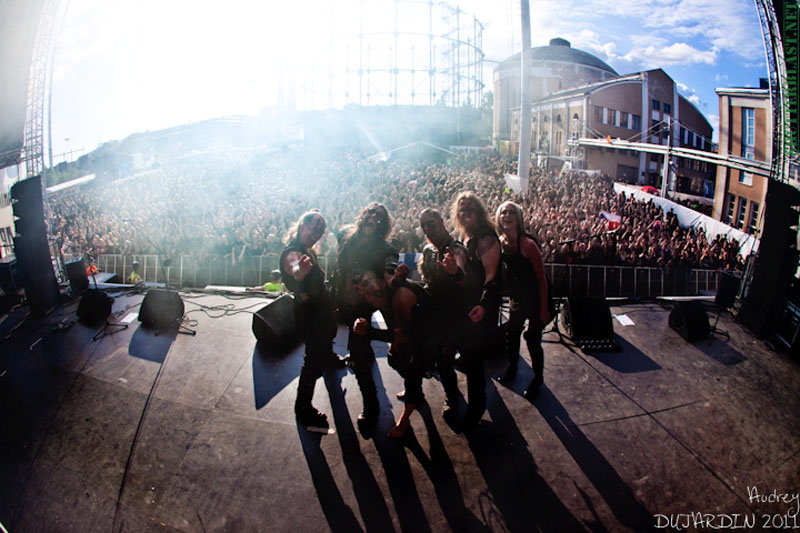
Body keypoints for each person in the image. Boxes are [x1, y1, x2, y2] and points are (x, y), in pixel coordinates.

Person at [333, 202, 399, 431]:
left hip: (366, 302)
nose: (373, 217)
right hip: (346, 300)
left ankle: (371, 406)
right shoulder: (345, 236)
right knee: (356, 348)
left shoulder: (384, 248)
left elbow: (390, 261)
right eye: (370, 212)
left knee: (359, 349)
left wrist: (391, 273)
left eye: (379, 216)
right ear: (363, 215)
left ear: (383, 224)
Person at [352, 264, 432, 439]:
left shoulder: (399, 296)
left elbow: (404, 335)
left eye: (368, 284)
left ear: (381, 281)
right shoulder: (380, 294)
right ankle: (415, 392)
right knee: (394, 358)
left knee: (411, 369)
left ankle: (405, 419)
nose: (365, 293)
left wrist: (369, 332)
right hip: (412, 335)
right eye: (360, 290)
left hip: (431, 338)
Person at [279, 210, 341, 430]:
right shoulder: (293, 253)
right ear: (302, 225)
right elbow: (294, 276)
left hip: (321, 309)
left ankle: (330, 356)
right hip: (311, 314)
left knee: (326, 339)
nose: (315, 234)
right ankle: (303, 407)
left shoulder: (307, 250)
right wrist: (299, 275)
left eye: (319, 231)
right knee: (313, 360)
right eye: (312, 228)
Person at [450, 192, 501, 431]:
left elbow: (491, 275)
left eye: (470, 209)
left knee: (474, 360)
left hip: (479, 305)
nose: (465, 213)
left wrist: (483, 304)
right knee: (470, 357)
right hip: (465, 304)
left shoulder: (486, 236)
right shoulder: (466, 234)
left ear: (478, 211)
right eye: (462, 209)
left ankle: (477, 408)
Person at [495, 201, 553, 401]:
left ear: (518, 217)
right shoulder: (501, 242)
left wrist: (544, 309)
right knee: (513, 333)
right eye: (503, 212)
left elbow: (541, 278)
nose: (507, 215)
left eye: (511, 212)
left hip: (537, 297)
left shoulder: (528, 245)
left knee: (533, 340)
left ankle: (538, 378)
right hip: (518, 298)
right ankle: (512, 367)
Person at [417, 208, 467, 417]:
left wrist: (456, 273)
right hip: (434, 315)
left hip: (455, 316)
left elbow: (467, 283)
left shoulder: (456, 249)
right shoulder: (428, 251)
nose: (428, 228)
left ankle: (453, 399)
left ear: (441, 221)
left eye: (431, 223)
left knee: (447, 360)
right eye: (424, 225)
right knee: (438, 359)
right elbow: (426, 280)